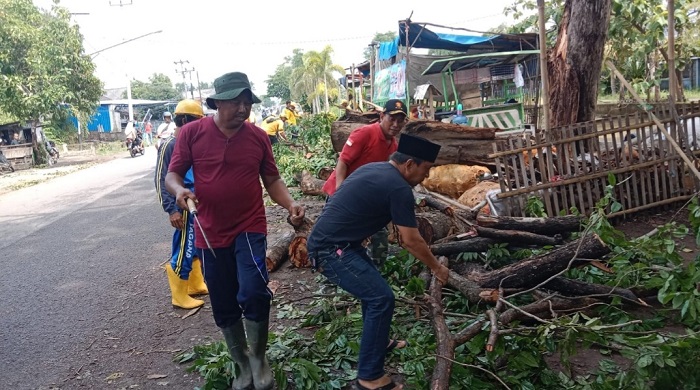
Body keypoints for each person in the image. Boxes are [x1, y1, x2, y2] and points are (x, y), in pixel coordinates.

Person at [165, 71, 304, 390]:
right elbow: (173, 175)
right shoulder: (192, 134)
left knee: (254, 290)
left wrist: (290, 204)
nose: (243, 109)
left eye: (247, 103)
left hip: (249, 226)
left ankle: (258, 357)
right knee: (224, 299)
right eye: (236, 103)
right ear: (217, 103)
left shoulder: (257, 137)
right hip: (209, 231)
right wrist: (179, 192)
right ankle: (241, 363)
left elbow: (272, 180)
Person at [307, 134, 450, 390]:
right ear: (409, 165)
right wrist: (437, 268)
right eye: (425, 169)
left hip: (341, 244)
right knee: (381, 298)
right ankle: (369, 377)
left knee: (374, 292)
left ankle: (378, 340)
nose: (425, 177)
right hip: (330, 250)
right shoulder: (398, 187)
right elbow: (410, 240)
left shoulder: (377, 169)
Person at [322, 99, 407, 265]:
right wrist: (340, 192)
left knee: (379, 232)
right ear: (382, 116)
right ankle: (331, 276)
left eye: (400, 120)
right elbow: (343, 162)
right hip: (342, 191)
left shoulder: (394, 146)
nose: (396, 124)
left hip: (364, 197)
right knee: (335, 236)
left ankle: (374, 270)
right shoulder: (364, 134)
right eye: (392, 119)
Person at [155, 99, 208, 309]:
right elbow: (161, 179)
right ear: (184, 120)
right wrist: (172, 210)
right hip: (182, 203)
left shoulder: (192, 141)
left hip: (195, 200)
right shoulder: (169, 145)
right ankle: (179, 294)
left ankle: (195, 284)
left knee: (193, 245)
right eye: (195, 121)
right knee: (185, 244)